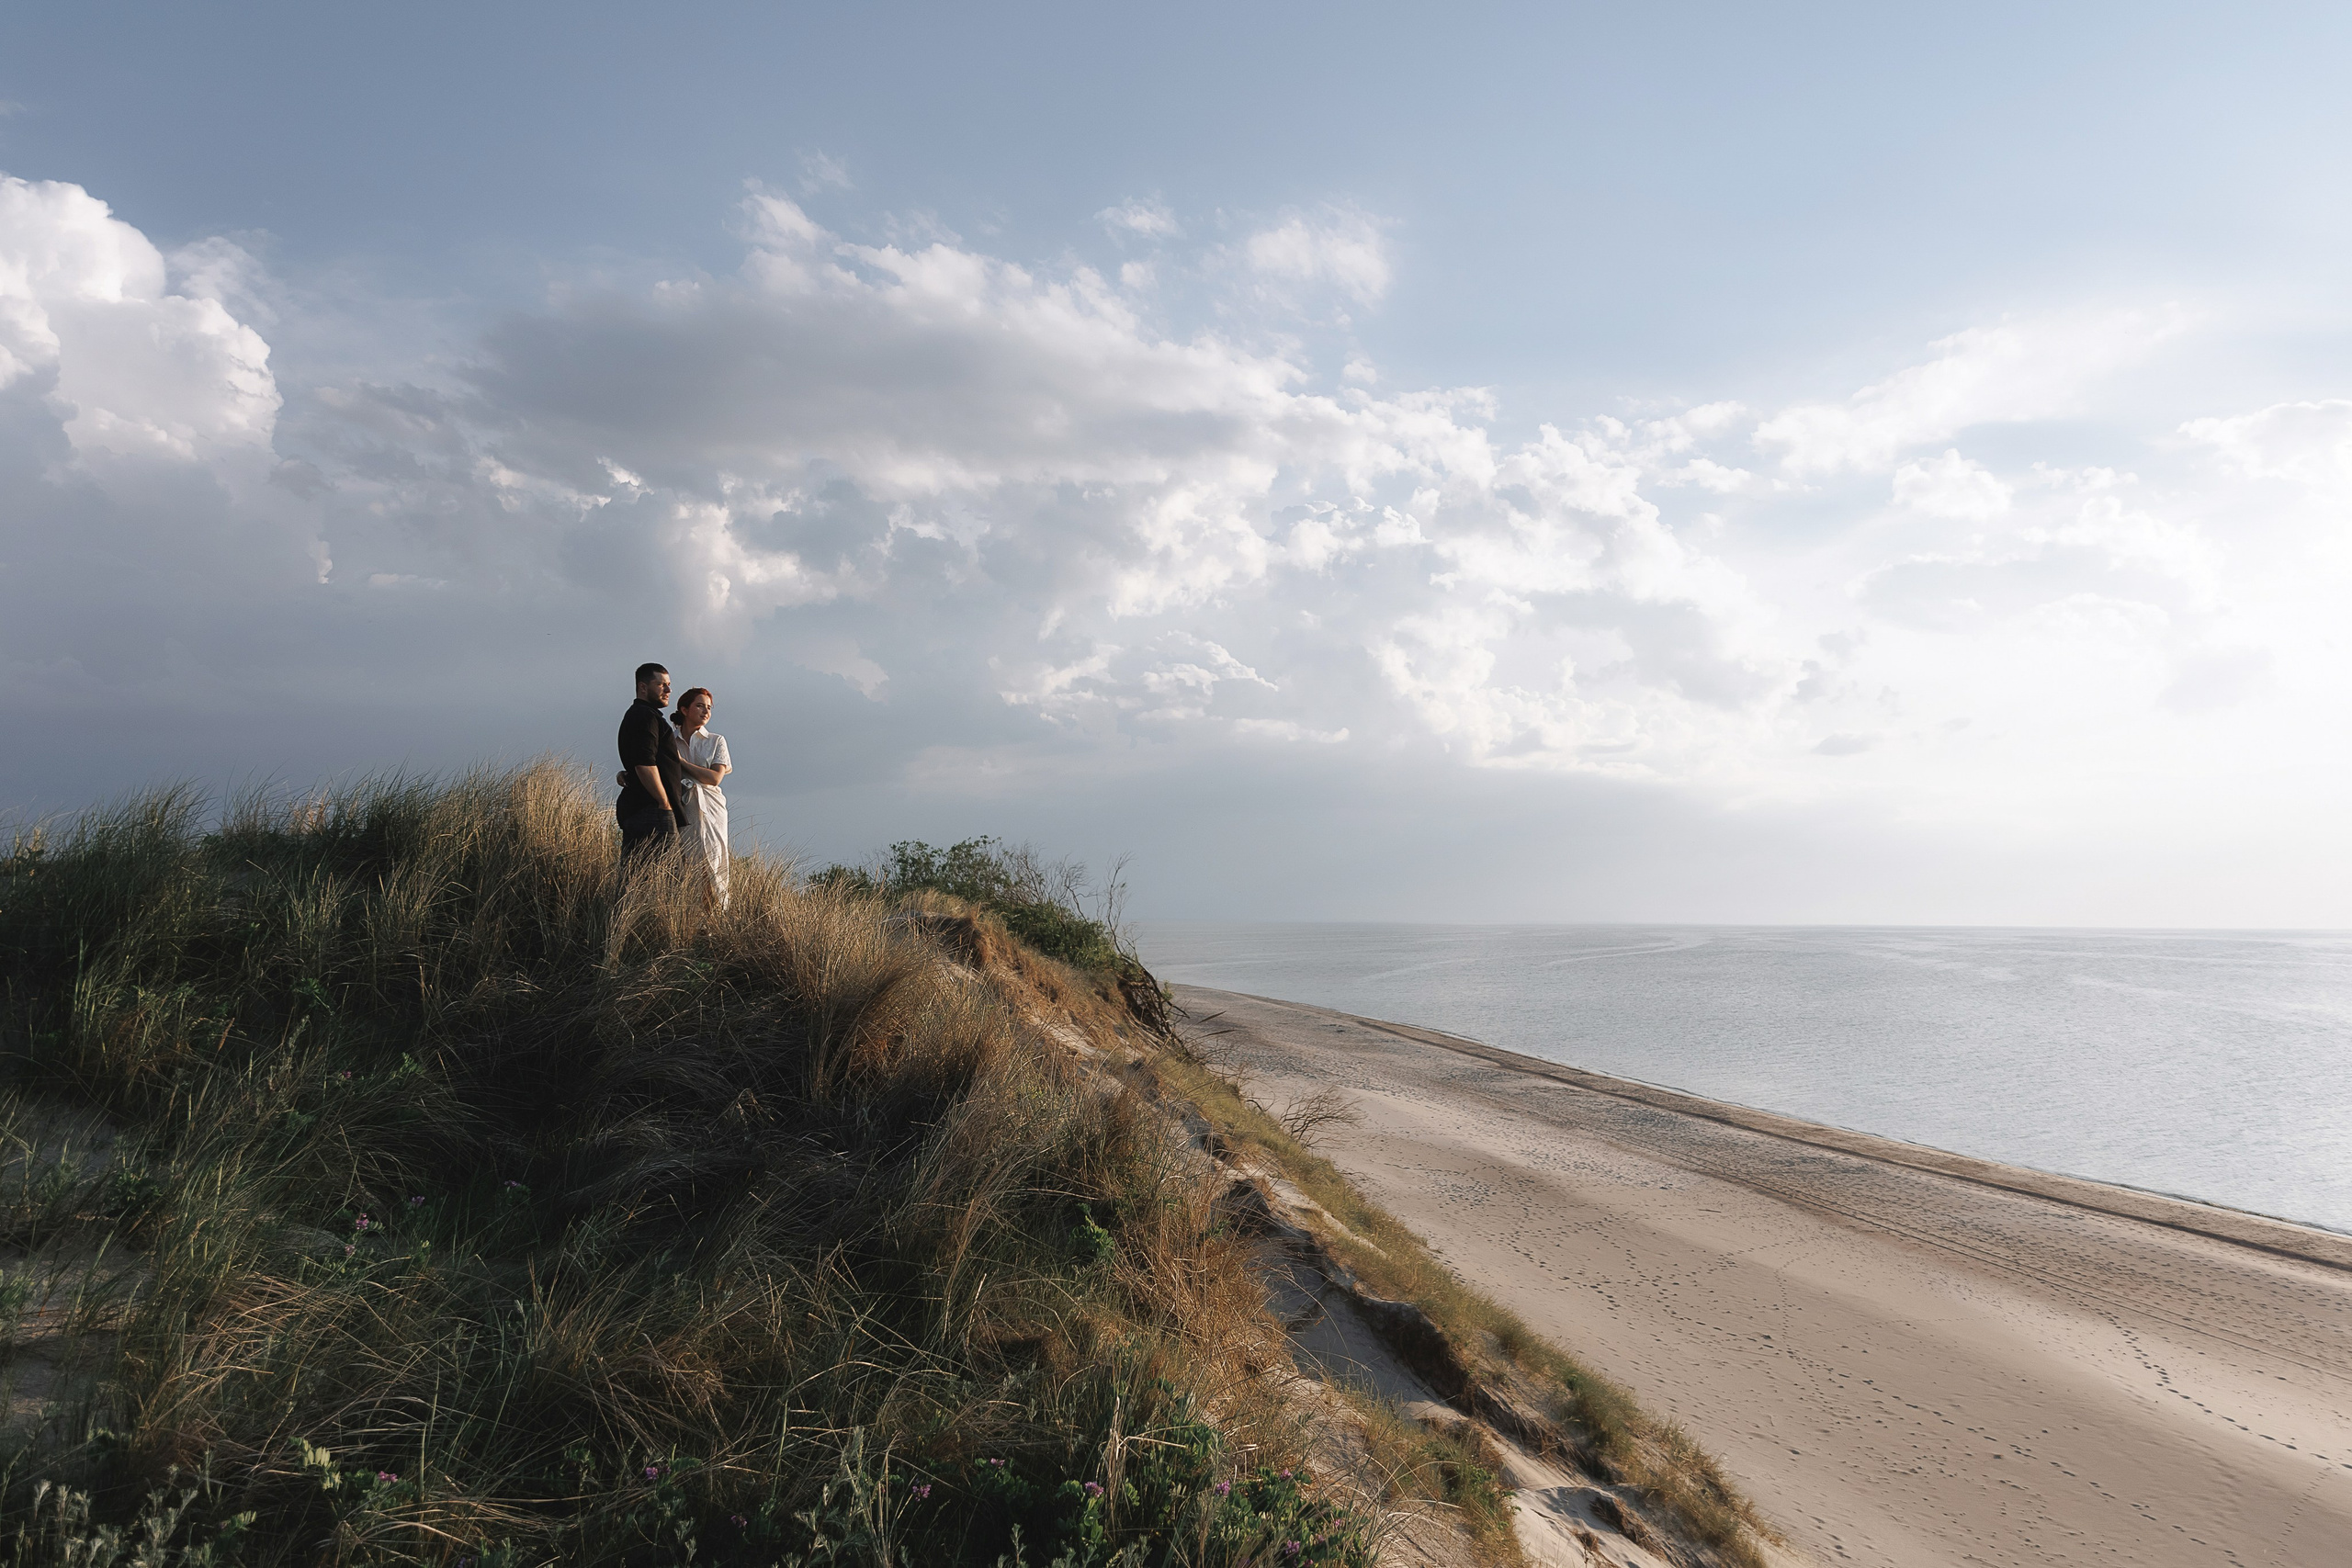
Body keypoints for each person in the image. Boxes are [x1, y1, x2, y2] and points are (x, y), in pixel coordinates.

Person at [616, 661, 687, 865]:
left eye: (669, 684)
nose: (668, 690)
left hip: (642, 808)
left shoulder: (643, 716)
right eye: (661, 684)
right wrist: (664, 803)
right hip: (651, 810)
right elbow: (644, 764)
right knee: (667, 878)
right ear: (643, 687)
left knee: (637, 878)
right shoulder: (644, 716)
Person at [670, 686, 732, 907]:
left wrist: (683, 764)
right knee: (685, 860)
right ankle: (691, 919)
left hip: (711, 807)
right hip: (682, 805)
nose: (706, 711)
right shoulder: (670, 740)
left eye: (709, 707)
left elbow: (715, 777)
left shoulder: (716, 740)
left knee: (713, 860)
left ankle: (714, 918)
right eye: (699, 706)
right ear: (684, 710)